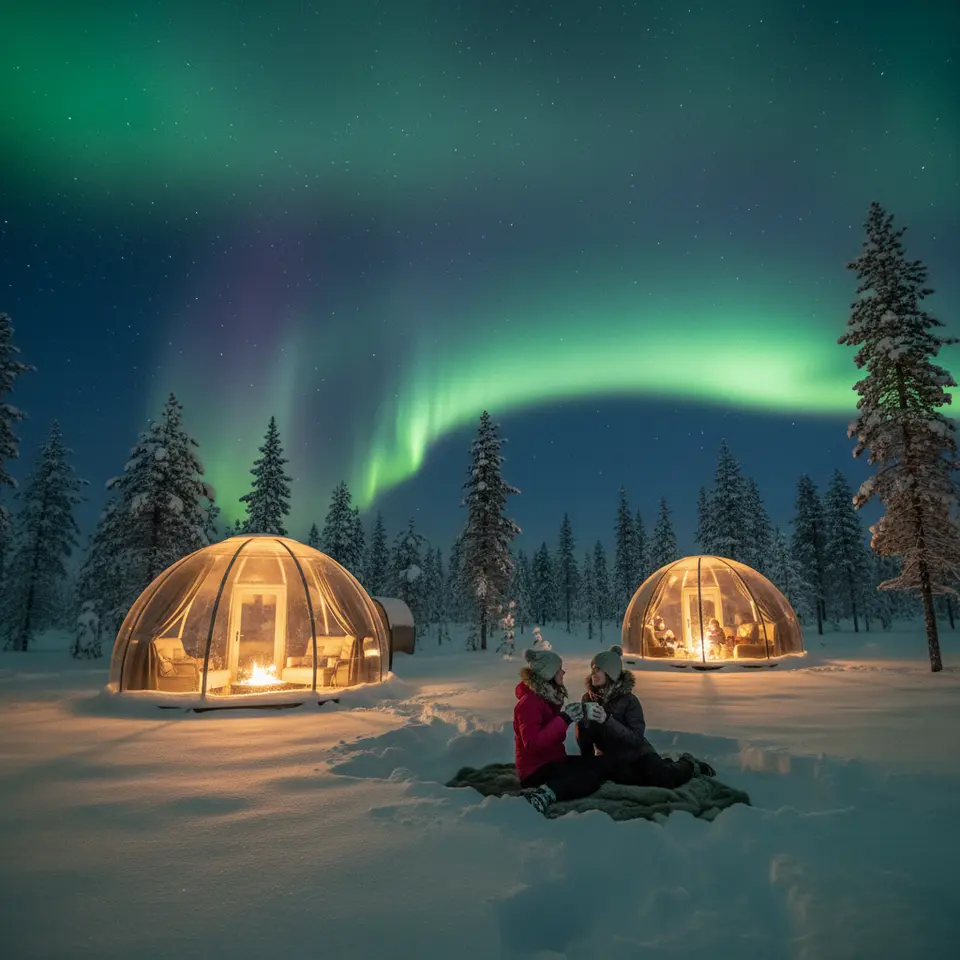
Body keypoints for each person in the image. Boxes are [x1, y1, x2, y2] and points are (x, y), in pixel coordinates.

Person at [577, 645, 716, 787]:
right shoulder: (587, 700)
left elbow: (636, 739)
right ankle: (665, 763)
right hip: (611, 757)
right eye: (592, 668)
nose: (593, 673)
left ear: (611, 673)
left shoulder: (629, 700)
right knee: (629, 782)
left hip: (637, 754)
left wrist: (607, 720)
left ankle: (689, 764)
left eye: (598, 669)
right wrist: (580, 725)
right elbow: (586, 739)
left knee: (663, 779)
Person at [514, 648, 607, 815]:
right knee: (588, 778)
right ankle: (543, 795)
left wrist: (574, 716)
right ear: (548, 674)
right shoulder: (529, 703)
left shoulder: (546, 699)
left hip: (552, 761)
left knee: (597, 765)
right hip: (534, 771)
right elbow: (532, 743)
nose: (563, 673)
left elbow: (553, 736)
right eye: (559, 669)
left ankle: (554, 786)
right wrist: (564, 719)